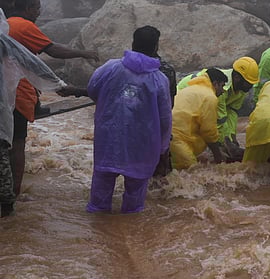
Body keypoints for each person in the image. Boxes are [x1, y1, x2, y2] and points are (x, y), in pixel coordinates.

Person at [7, 0, 99, 198]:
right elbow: (53, 50)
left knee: (6, 139)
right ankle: (13, 195)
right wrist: (84, 53)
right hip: (15, 92)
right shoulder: (23, 26)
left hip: (8, 88)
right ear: (28, 8)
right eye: (37, 9)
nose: (38, 13)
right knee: (17, 143)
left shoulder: (7, 23)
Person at [85, 25, 171, 214]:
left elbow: (92, 89)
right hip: (142, 142)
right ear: (156, 47)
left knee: (100, 191)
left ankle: (96, 235)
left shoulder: (111, 67)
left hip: (109, 136)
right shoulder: (159, 79)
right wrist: (163, 147)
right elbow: (165, 117)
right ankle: (130, 236)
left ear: (133, 43)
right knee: (135, 198)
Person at [0, 8, 67, 217]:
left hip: (11, 105)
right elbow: (38, 68)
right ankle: (10, 207)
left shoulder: (7, 40)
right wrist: (69, 88)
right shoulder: (6, 43)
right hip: (11, 108)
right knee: (13, 148)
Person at [176, 57, 259, 161]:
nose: (250, 87)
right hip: (185, 99)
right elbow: (219, 120)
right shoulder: (219, 87)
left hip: (197, 101)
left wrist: (232, 139)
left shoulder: (241, 89)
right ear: (237, 77)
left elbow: (232, 112)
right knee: (198, 135)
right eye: (248, 83)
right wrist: (223, 145)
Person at [170, 68, 228, 170]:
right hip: (178, 138)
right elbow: (209, 132)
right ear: (215, 83)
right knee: (190, 172)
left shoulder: (189, 89)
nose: (223, 91)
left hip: (164, 135)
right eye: (222, 86)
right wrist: (218, 156)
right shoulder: (210, 97)